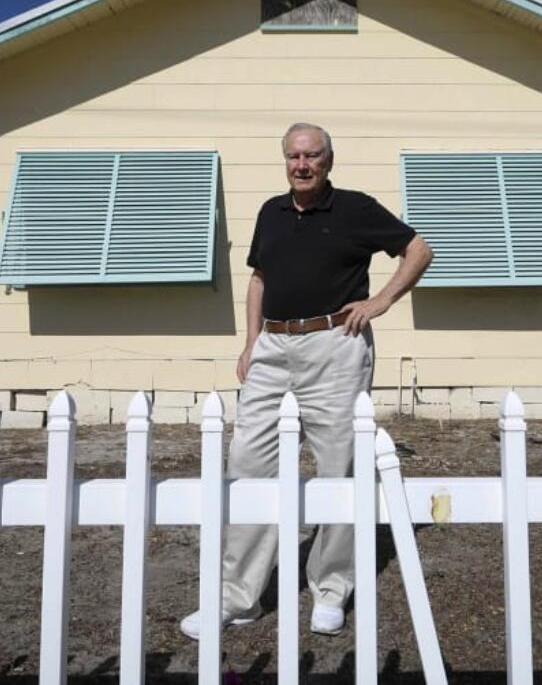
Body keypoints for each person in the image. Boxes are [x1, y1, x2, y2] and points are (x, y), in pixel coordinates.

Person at [181, 122, 433, 640]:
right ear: (285, 160)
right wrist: (251, 341)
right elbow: (259, 279)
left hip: (334, 344)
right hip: (273, 346)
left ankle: (330, 588)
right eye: (294, 156)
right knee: (247, 466)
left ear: (328, 160)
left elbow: (419, 250)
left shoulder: (357, 208)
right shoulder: (271, 212)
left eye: (312, 156)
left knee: (338, 465)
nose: (302, 165)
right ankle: (237, 597)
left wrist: (379, 302)